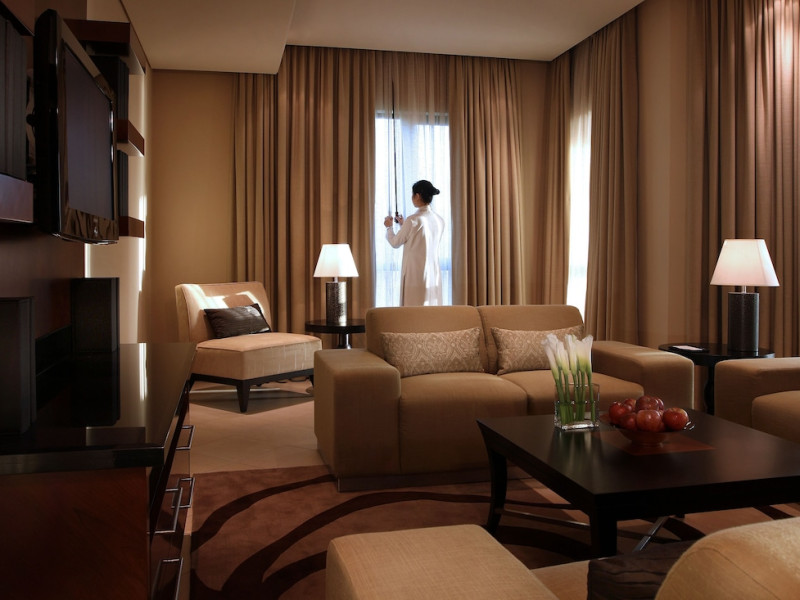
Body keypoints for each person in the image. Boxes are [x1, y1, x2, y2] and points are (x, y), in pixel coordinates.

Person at [383, 180, 445, 306]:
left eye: (412, 194)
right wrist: (403, 225)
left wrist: (389, 227)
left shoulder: (413, 220)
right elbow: (419, 238)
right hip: (433, 273)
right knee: (432, 309)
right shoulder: (439, 220)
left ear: (417, 195)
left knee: (413, 310)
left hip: (415, 274)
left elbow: (395, 242)